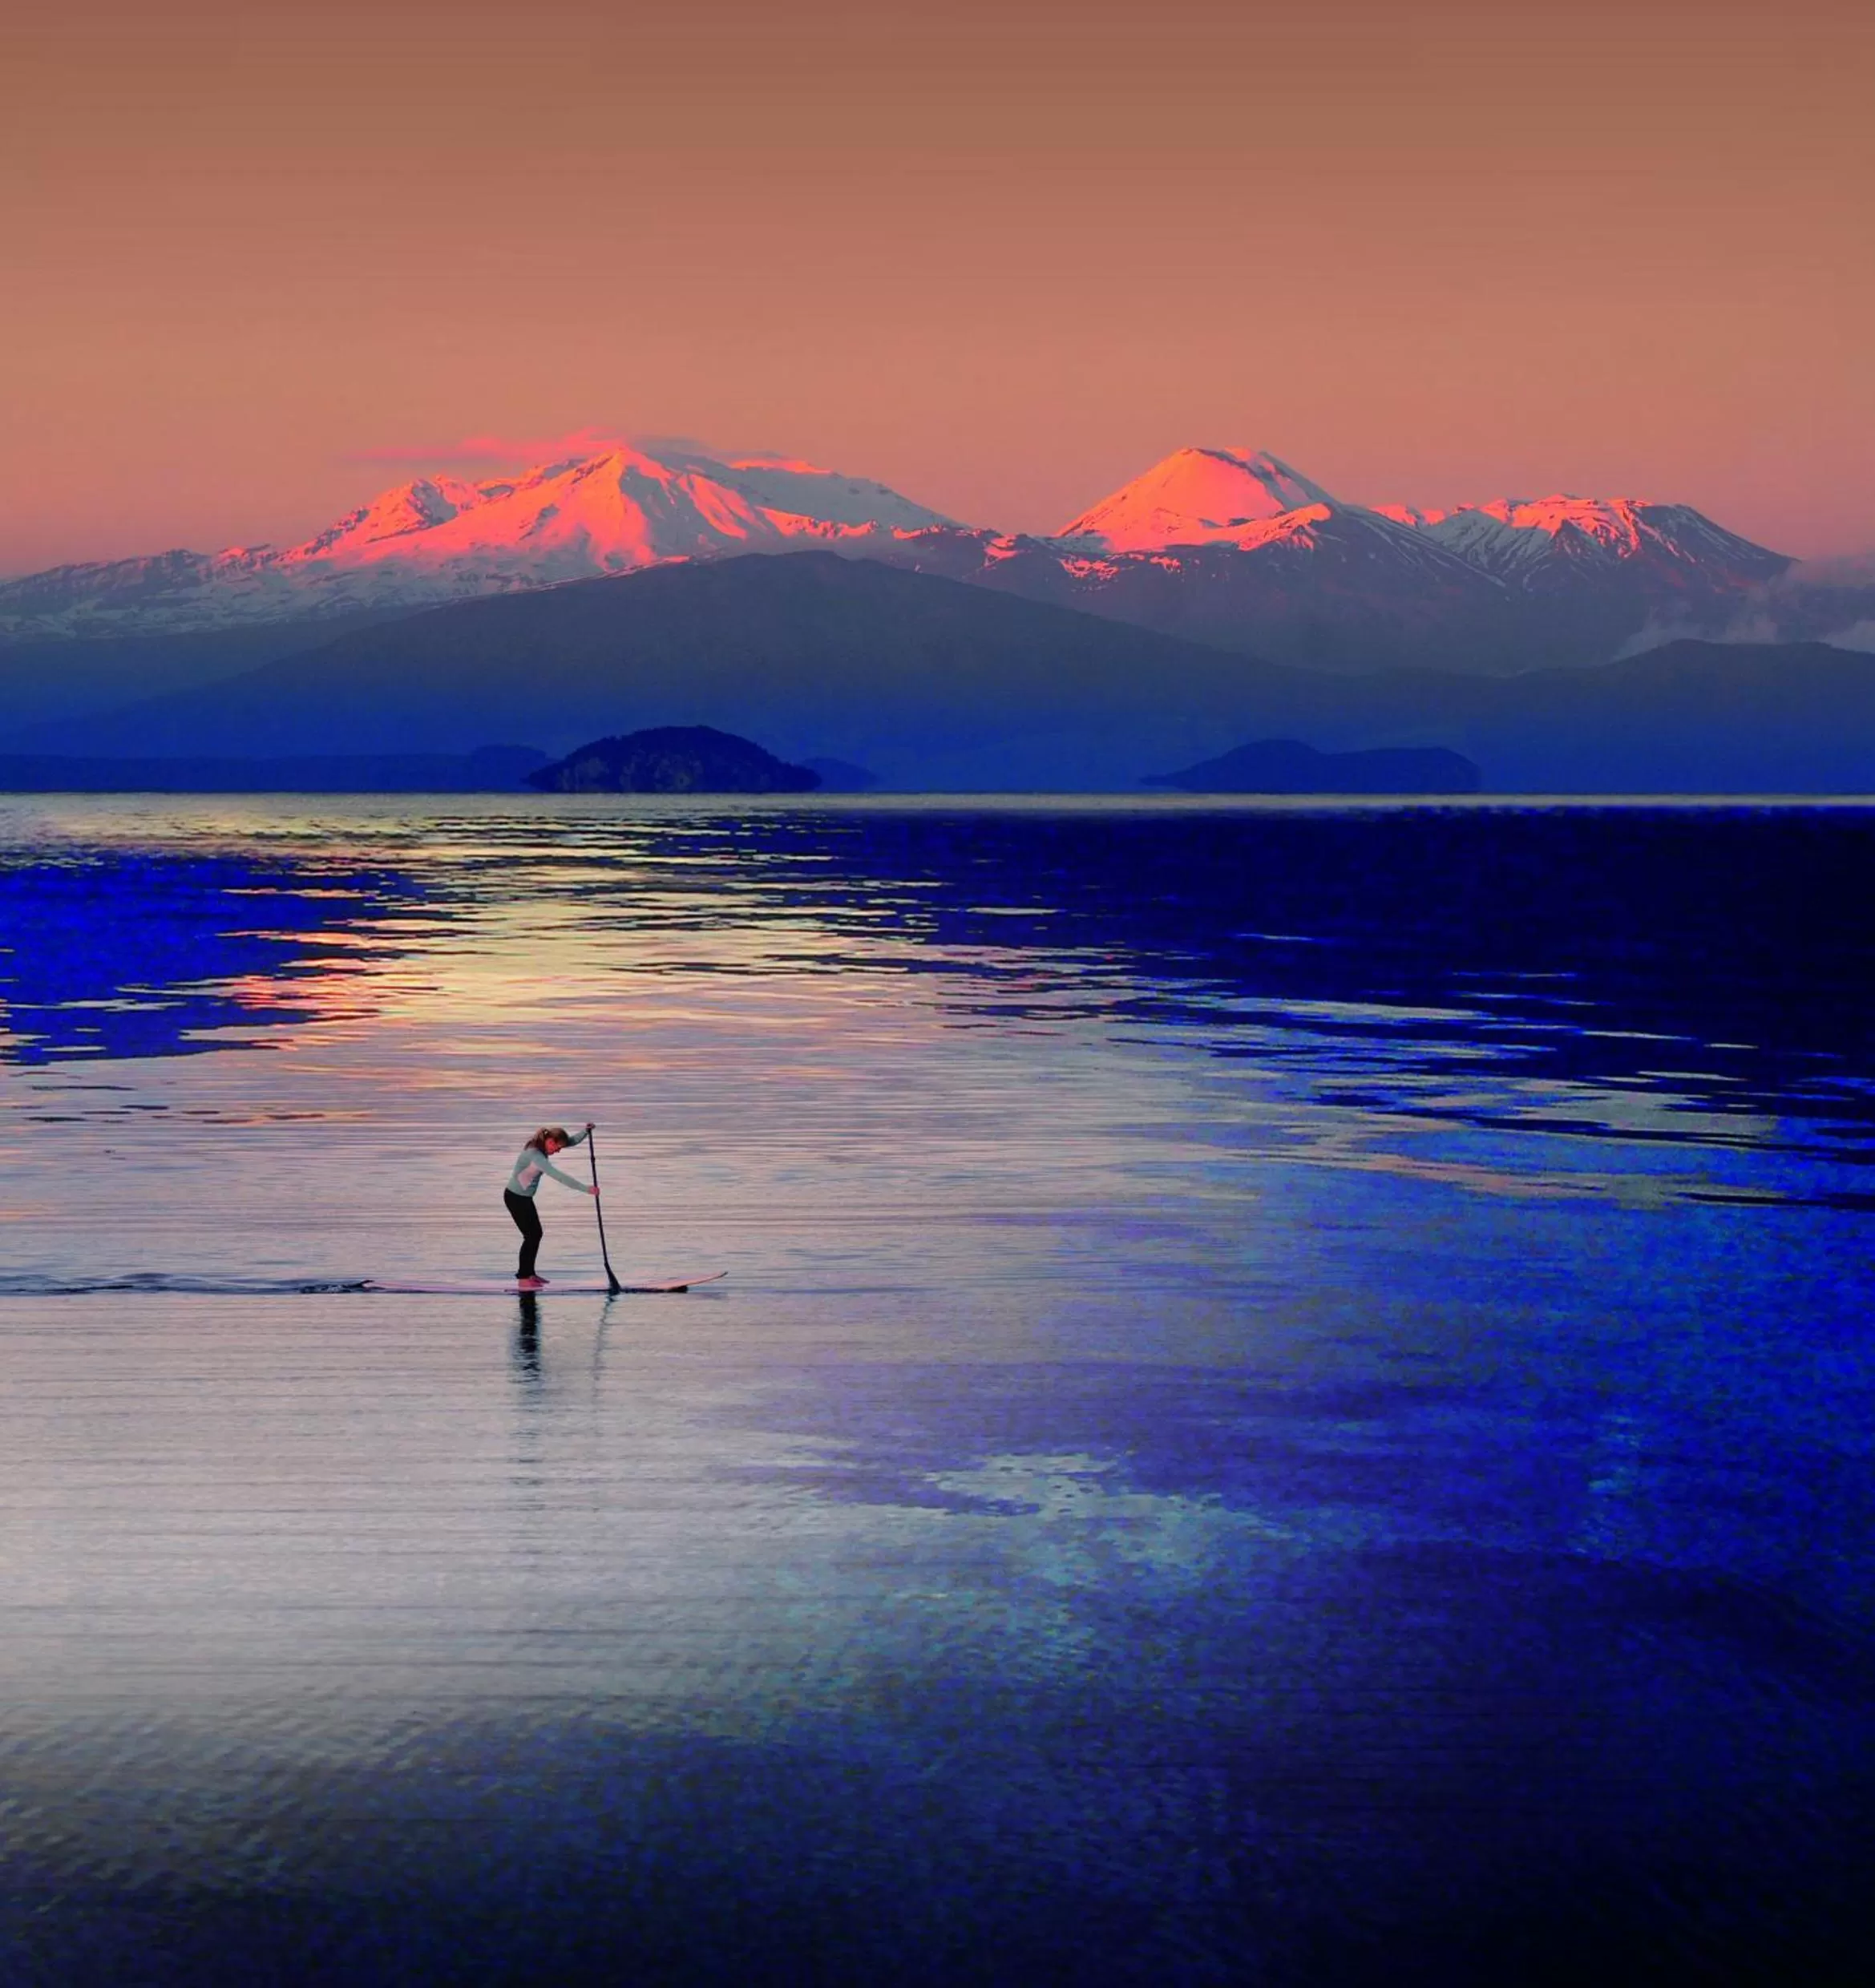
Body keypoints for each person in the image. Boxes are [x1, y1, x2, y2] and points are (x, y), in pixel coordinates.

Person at [503, 1123, 596, 1287]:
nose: (558, 1151)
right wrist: (586, 1189)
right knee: (531, 1236)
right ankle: (524, 1278)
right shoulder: (536, 1156)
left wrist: (585, 1132)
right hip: (515, 1198)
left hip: (524, 1198)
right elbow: (560, 1177)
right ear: (551, 1141)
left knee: (535, 1234)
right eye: (557, 1148)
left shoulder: (542, 1146)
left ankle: (529, 1274)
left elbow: (571, 1141)